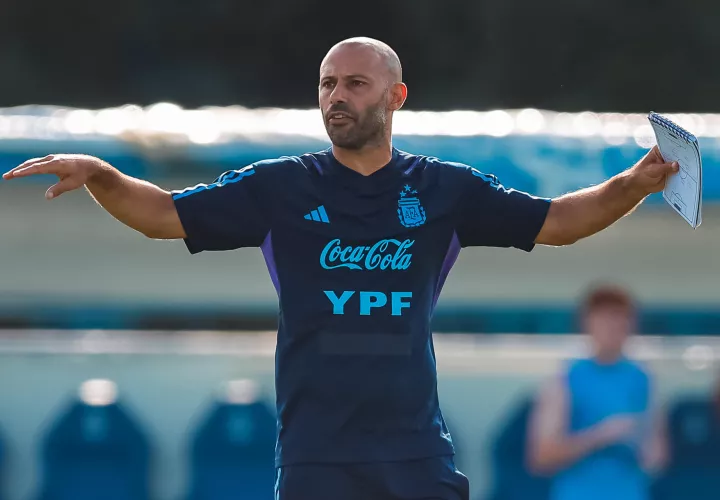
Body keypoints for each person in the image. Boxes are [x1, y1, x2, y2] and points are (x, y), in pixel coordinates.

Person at [3, 37, 677, 500]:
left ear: (396, 95)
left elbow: (558, 221)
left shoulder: (445, 189)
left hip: (415, 455)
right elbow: (161, 214)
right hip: (316, 457)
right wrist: (100, 173)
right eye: (328, 83)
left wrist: (633, 184)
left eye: (355, 83)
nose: (337, 96)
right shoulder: (279, 187)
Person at [527, 285, 668, 500]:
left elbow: (657, 457)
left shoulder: (643, 379)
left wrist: (647, 451)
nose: (613, 326)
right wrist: (600, 436)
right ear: (587, 322)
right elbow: (540, 457)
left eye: (620, 318)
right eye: (605, 319)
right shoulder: (564, 379)